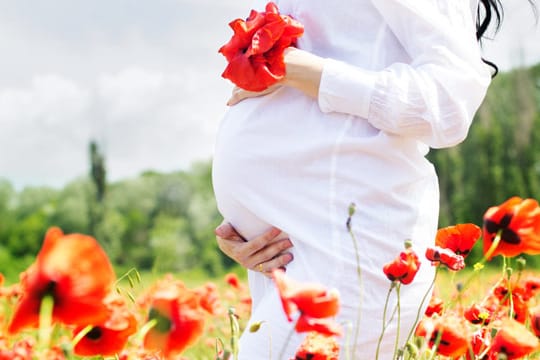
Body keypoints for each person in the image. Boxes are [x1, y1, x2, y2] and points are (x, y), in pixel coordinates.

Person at [211, 0, 523, 358]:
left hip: (346, 246)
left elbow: (448, 102)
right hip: (287, 254)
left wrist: (302, 70)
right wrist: (248, 223)